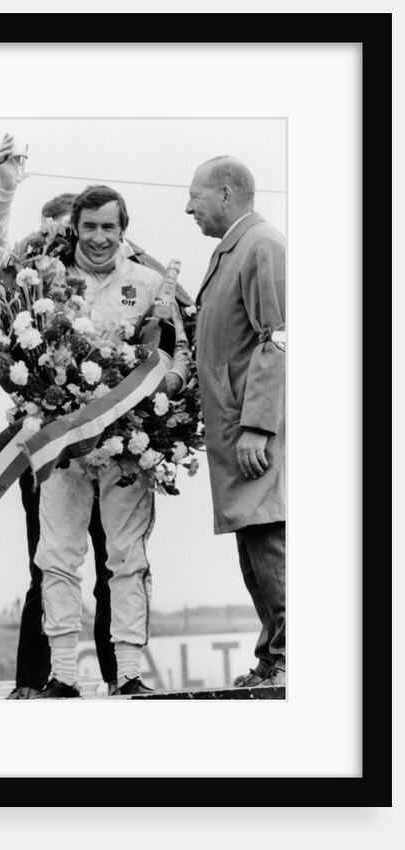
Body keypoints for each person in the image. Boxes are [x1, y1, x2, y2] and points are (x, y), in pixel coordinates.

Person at [0, 135, 193, 698]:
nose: (99, 238)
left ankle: (130, 675)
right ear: (75, 226)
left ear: (124, 231)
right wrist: (5, 186)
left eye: (110, 229)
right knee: (57, 558)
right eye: (90, 227)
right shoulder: (43, 275)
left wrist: (166, 386)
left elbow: (179, 352)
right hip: (63, 450)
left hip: (127, 448)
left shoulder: (149, 283)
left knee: (126, 559)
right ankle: (63, 675)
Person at [185, 156, 286, 688]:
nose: (188, 207)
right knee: (254, 544)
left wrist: (259, 426)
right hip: (235, 430)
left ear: (224, 195)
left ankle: (294, 657)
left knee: (269, 537)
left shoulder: (262, 245)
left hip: (253, 432)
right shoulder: (233, 250)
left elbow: (281, 337)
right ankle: (275, 655)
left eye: (195, 196)